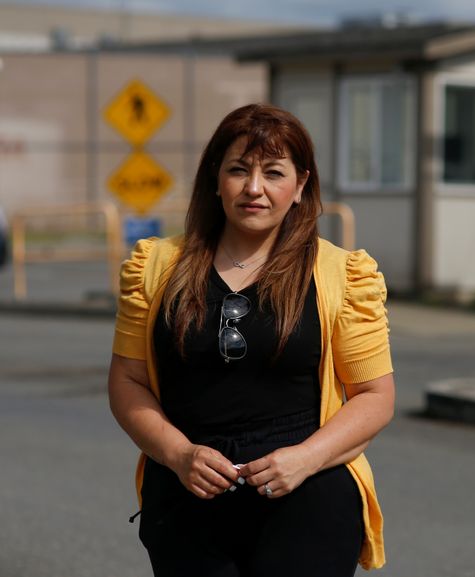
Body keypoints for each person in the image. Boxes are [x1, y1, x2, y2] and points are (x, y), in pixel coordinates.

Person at [108, 103, 395, 577]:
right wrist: (181, 455)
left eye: (274, 172)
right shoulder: (155, 267)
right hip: (186, 500)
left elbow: (375, 397)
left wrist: (305, 459)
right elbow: (127, 381)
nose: (254, 188)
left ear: (301, 185)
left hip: (307, 500)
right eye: (238, 170)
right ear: (215, 179)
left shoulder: (342, 274)